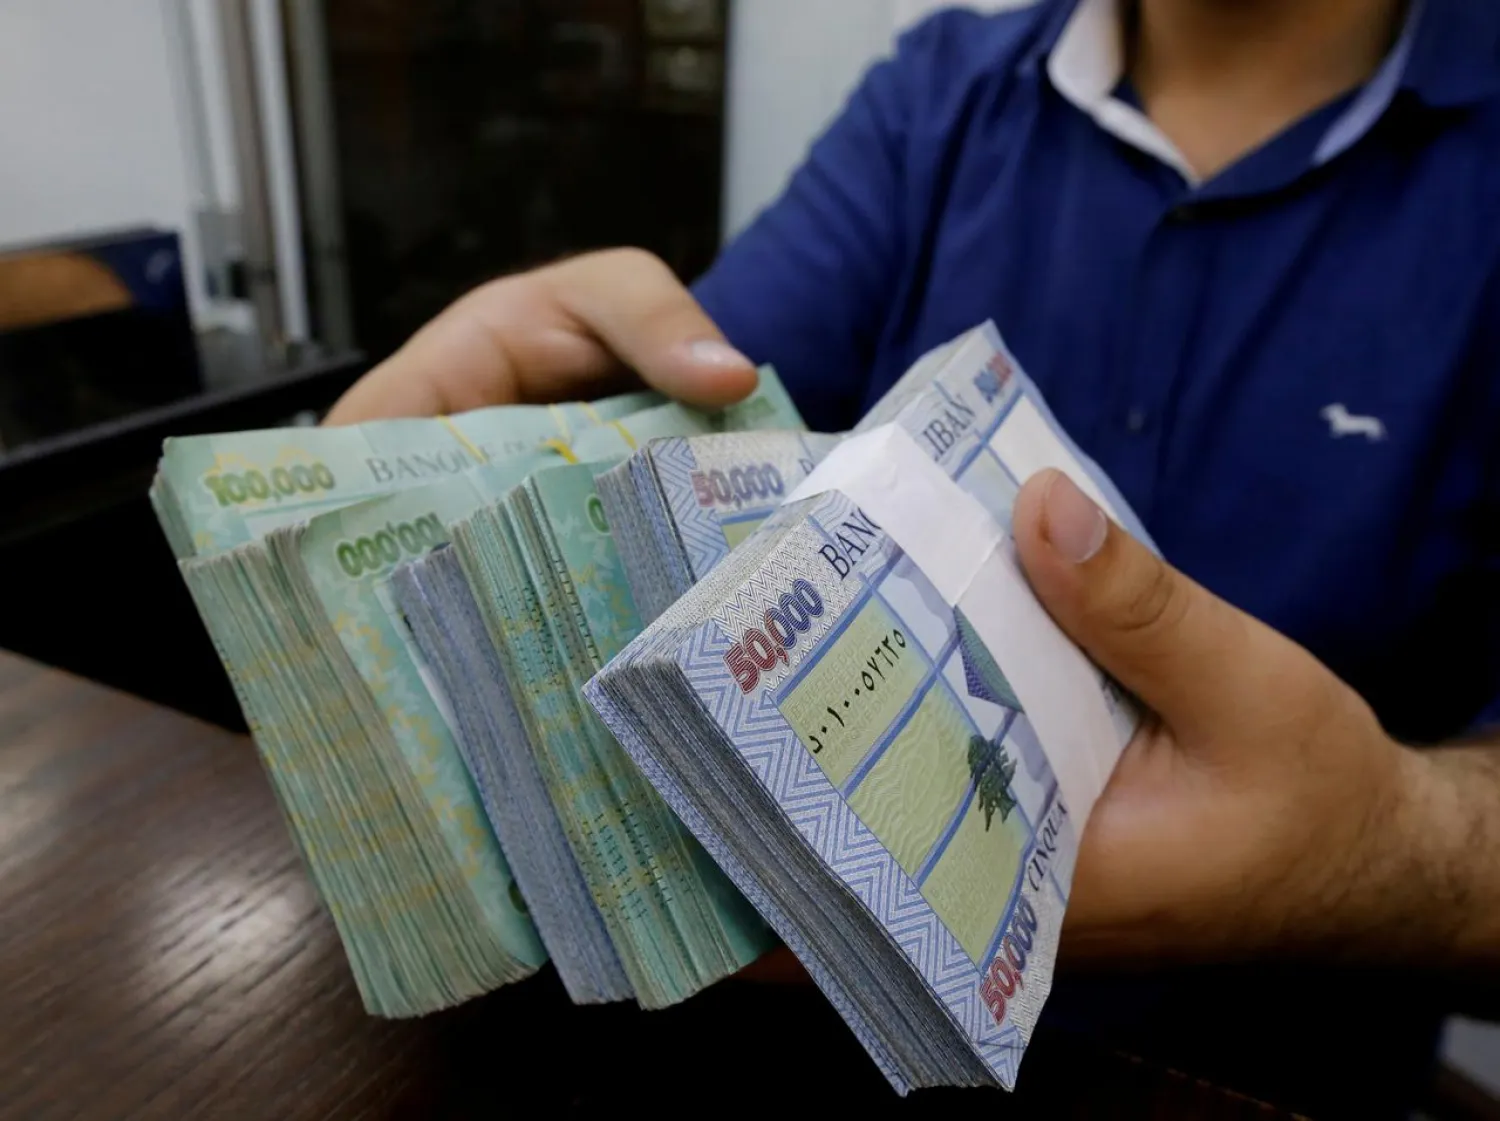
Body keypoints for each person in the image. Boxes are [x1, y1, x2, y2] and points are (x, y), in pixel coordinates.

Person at [326, 0, 1500, 1112]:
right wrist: (537, 449)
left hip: (1259, 1080)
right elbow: (701, 433)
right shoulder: (939, 95)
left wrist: (1386, 842)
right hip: (786, 1047)